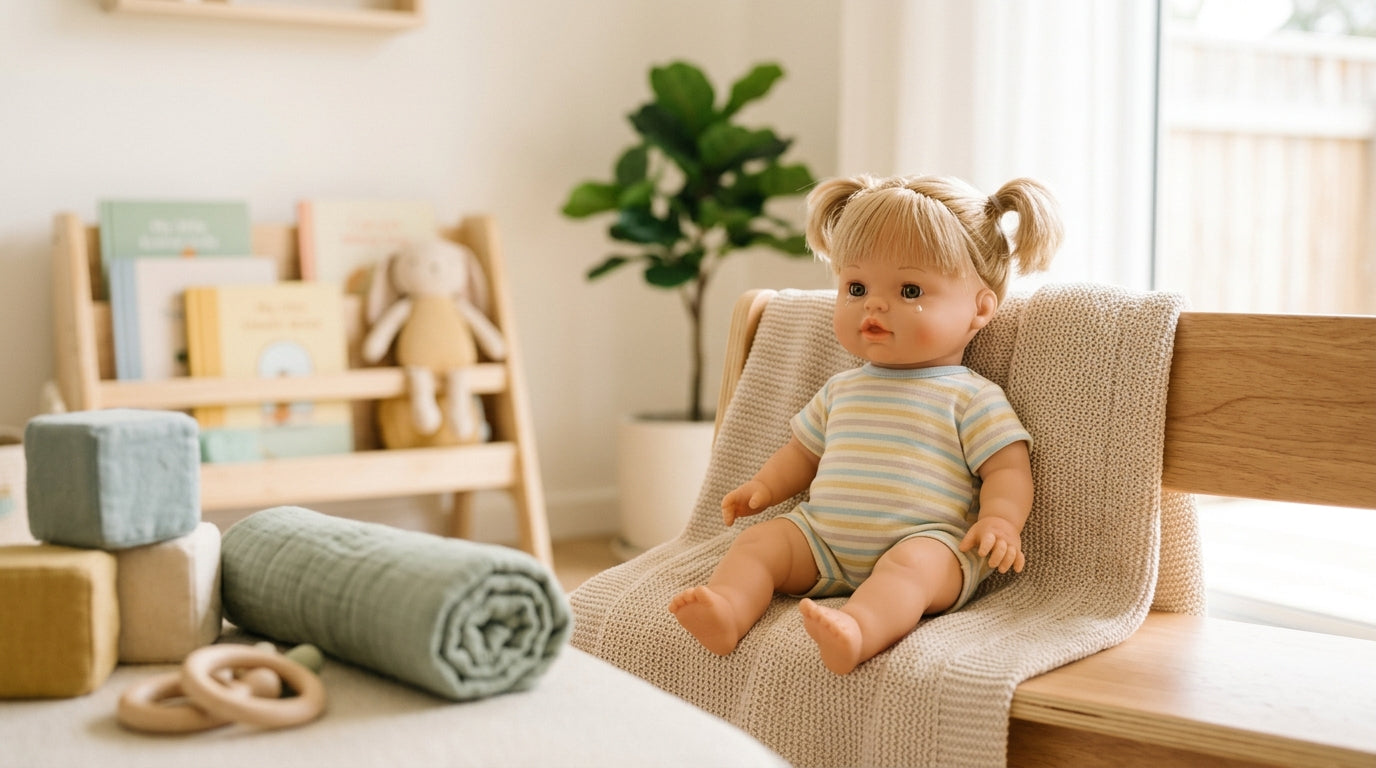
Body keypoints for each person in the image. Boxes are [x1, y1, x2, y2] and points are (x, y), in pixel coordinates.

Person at [668, 173, 1063, 674]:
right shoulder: (841, 389)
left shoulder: (970, 397)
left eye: (910, 290)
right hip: (823, 541)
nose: (874, 304)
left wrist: (1000, 521)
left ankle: (858, 630)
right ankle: (728, 609)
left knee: (912, 570)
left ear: (979, 308)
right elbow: (802, 454)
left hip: (927, 542)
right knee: (759, 543)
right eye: (856, 287)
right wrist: (764, 487)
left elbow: (1007, 468)